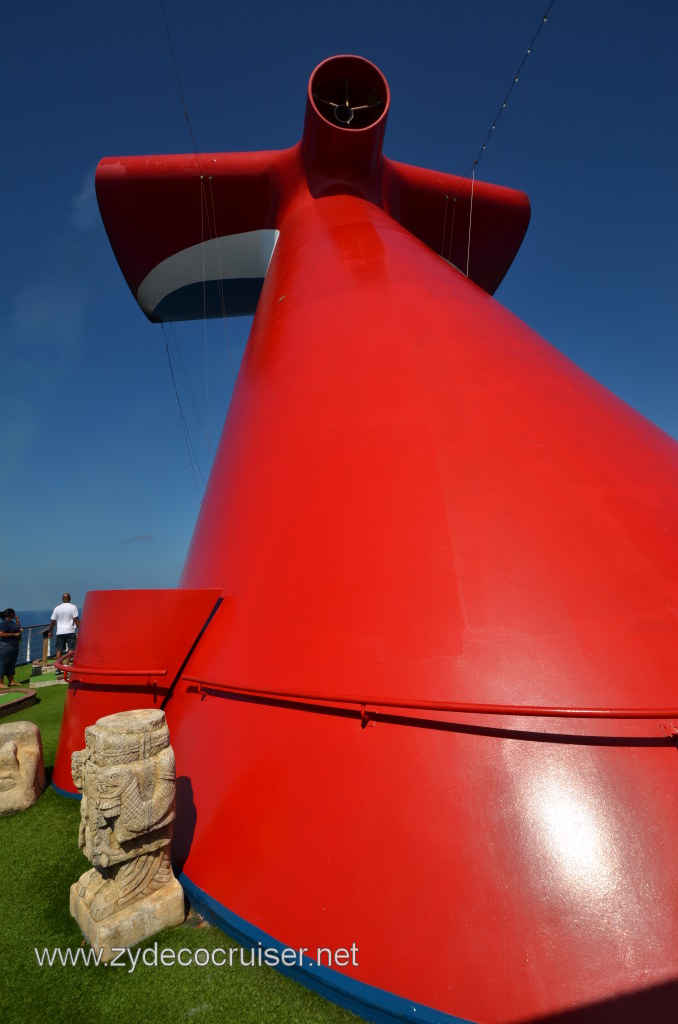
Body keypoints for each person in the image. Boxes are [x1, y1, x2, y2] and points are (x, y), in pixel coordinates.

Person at [48, 593, 80, 672]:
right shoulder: (73, 607)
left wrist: (50, 631)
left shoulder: (57, 608)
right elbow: (76, 620)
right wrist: (81, 629)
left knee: (59, 650)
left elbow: (52, 621)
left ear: (62, 599)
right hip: (70, 631)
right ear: (70, 598)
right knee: (71, 649)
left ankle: (58, 668)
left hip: (60, 632)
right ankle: (66, 665)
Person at [0, 608, 22, 687]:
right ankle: (0, 683)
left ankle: (11, 681)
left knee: (11, 663)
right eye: (14, 613)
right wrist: (14, 635)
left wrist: (17, 621)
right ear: (10, 614)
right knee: (3, 663)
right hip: (6, 646)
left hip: (13, 645)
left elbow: (17, 630)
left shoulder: (11, 622)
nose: (15, 614)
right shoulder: (4, 623)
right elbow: (1, 634)